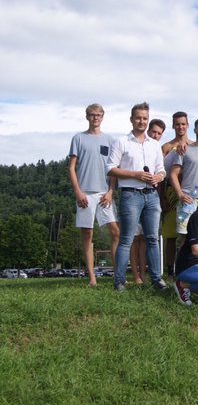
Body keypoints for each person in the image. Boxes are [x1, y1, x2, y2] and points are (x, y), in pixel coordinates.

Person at [106, 102, 167, 291]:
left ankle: (157, 279)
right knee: (126, 239)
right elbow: (110, 169)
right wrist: (135, 174)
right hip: (130, 195)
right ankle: (119, 281)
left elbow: (161, 169)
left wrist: (159, 176)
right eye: (138, 118)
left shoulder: (155, 145)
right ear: (132, 119)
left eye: (145, 118)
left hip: (151, 195)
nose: (142, 121)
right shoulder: (122, 142)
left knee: (152, 238)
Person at [68, 103, 120, 286]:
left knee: (115, 232)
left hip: (104, 193)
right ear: (87, 117)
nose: (95, 117)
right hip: (85, 193)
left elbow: (113, 169)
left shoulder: (111, 140)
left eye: (98, 114)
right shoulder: (78, 139)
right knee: (87, 233)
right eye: (92, 115)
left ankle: (117, 276)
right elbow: (71, 168)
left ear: (103, 116)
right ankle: (92, 278)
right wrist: (78, 192)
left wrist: (111, 191)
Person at [130, 118, 167, 284]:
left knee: (148, 238)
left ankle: (146, 275)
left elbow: (162, 172)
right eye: (154, 132)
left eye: (159, 133)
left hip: (153, 199)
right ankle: (136, 276)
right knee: (134, 238)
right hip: (135, 195)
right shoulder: (137, 146)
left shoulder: (158, 149)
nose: (156, 135)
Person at [169, 117, 198, 241]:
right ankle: (183, 261)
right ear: (194, 130)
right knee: (186, 239)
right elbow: (173, 174)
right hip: (187, 200)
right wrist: (180, 194)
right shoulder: (184, 150)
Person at [161, 112, 193, 279]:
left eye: (183, 124)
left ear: (188, 125)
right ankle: (170, 271)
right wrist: (162, 198)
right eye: (177, 124)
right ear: (173, 126)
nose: (180, 127)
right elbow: (160, 174)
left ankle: (186, 267)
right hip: (170, 192)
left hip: (188, 193)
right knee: (171, 236)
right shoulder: (166, 147)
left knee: (187, 233)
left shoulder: (194, 146)